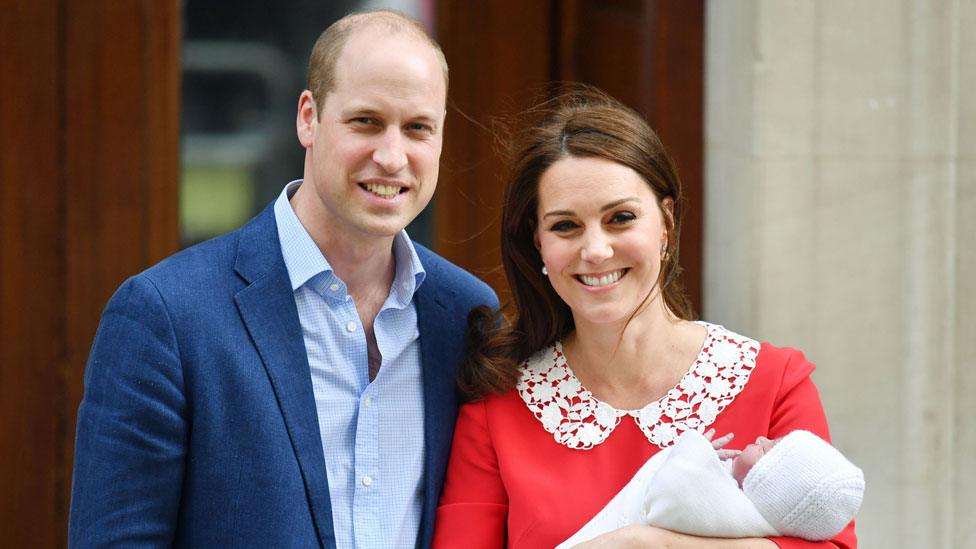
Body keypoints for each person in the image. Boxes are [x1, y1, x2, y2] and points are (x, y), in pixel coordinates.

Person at [68, 9, 497, 548]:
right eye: (365, 121)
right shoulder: (166, 316)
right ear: (308, 118)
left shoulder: (465, 315)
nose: (392, 157)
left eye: (417, 128)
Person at [431, 86, 857, 549]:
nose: (595, 250)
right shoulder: (497, 409)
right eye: (565, 226)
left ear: (666, 224)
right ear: (539, 244)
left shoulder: (776, 383)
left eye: (621, 218)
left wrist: (644, 544)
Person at [558, 430, 865, 547]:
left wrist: (696, 451)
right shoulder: (740, 512)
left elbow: (672, 492)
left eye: (769, 450)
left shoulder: (729, 514)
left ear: (768, 485)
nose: (761, 439)